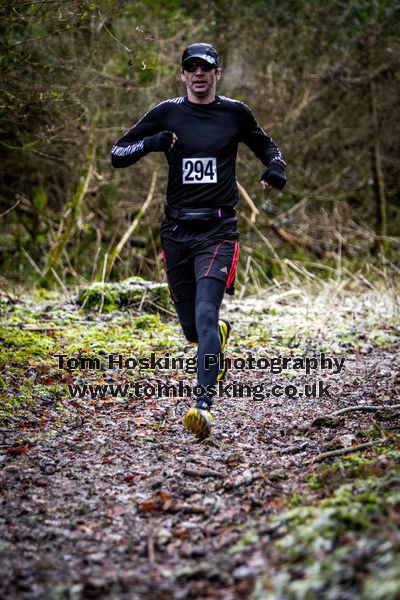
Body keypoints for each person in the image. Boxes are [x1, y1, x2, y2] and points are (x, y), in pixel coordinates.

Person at [111, 42, 286, 440]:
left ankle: (202, 406)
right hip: (176, 232)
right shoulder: (166, 112)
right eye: (191, 68)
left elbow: (268, 147)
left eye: (206, 68)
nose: (199, 74)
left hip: (218, 232)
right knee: (194, 330)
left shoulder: (234, 113)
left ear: (216, 74)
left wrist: (275, 167)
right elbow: (117, 153)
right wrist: (152, 144)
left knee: (206, 313)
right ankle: (216, 340)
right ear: (183, 74)